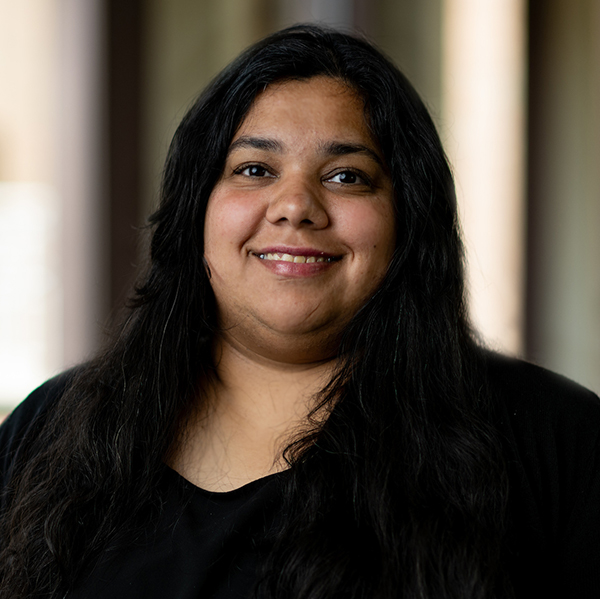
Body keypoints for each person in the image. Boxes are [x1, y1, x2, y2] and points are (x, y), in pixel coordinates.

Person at [1, 24, 599, 599]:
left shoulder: (555, 442)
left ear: (408, 222)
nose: (295, 206)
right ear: (196, 211)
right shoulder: (46, 435)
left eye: (346, 176)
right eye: (254, 169)